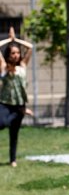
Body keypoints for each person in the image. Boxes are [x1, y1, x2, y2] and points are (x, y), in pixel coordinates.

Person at [0, 26, 33, 167]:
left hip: (20, 105)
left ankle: (13, 160)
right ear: (8, 55)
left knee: (14, 134)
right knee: (2, 123)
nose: (16, 55)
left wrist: (16, 40)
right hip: (5, 103)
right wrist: (9, 40)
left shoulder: (23, 66)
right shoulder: (3, 66)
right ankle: (23, 112)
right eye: (13, 53)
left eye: (18, 53)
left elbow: (31, 47)